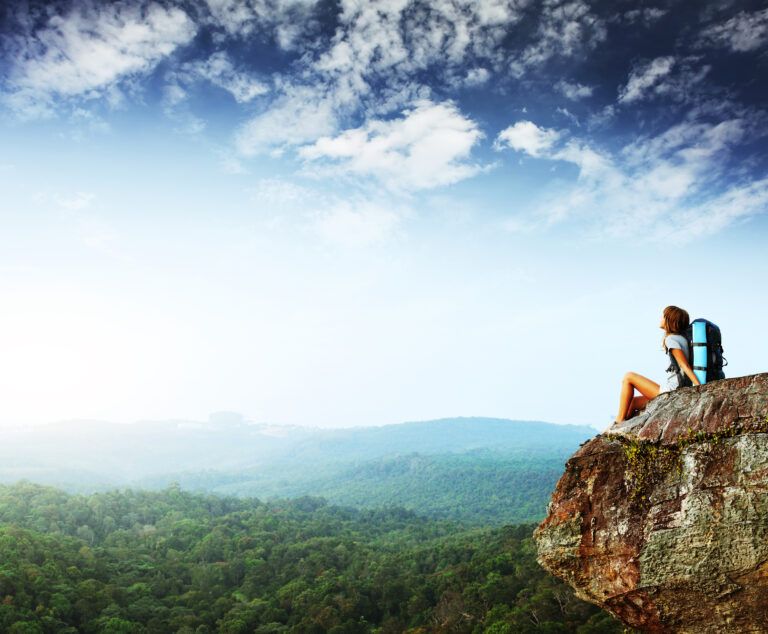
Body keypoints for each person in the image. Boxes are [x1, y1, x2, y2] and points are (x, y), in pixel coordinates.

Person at [612, 305, 701, 427]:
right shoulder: (683, 338)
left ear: (670, 320)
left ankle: (618, 422)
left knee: (628, 377)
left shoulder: (671, 339)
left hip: (671, 391)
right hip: (676, 389)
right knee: (633, 402)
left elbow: (684, 365)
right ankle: (622, 426)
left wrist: (699, 387)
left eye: (663, 316)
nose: (660, 319)